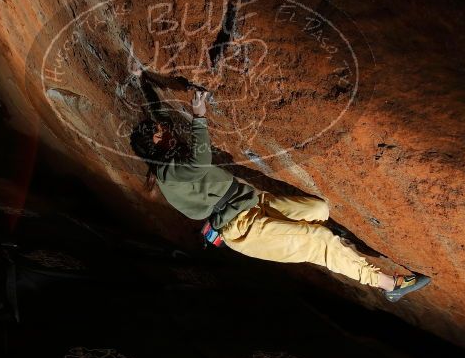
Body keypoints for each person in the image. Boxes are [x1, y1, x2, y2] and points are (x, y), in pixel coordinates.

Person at [130, 83, 431, 302]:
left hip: (253, 203)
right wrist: (199, 116)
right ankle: (389, 286)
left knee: (319, 210)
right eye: (160, 132)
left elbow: (158, 117)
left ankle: (338, 250)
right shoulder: (168, 173)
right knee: (320, 240)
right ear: (155, 145)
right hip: (245, 229)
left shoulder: (167, 161)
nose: (166, 131)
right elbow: (201, 161)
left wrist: (143, 79)